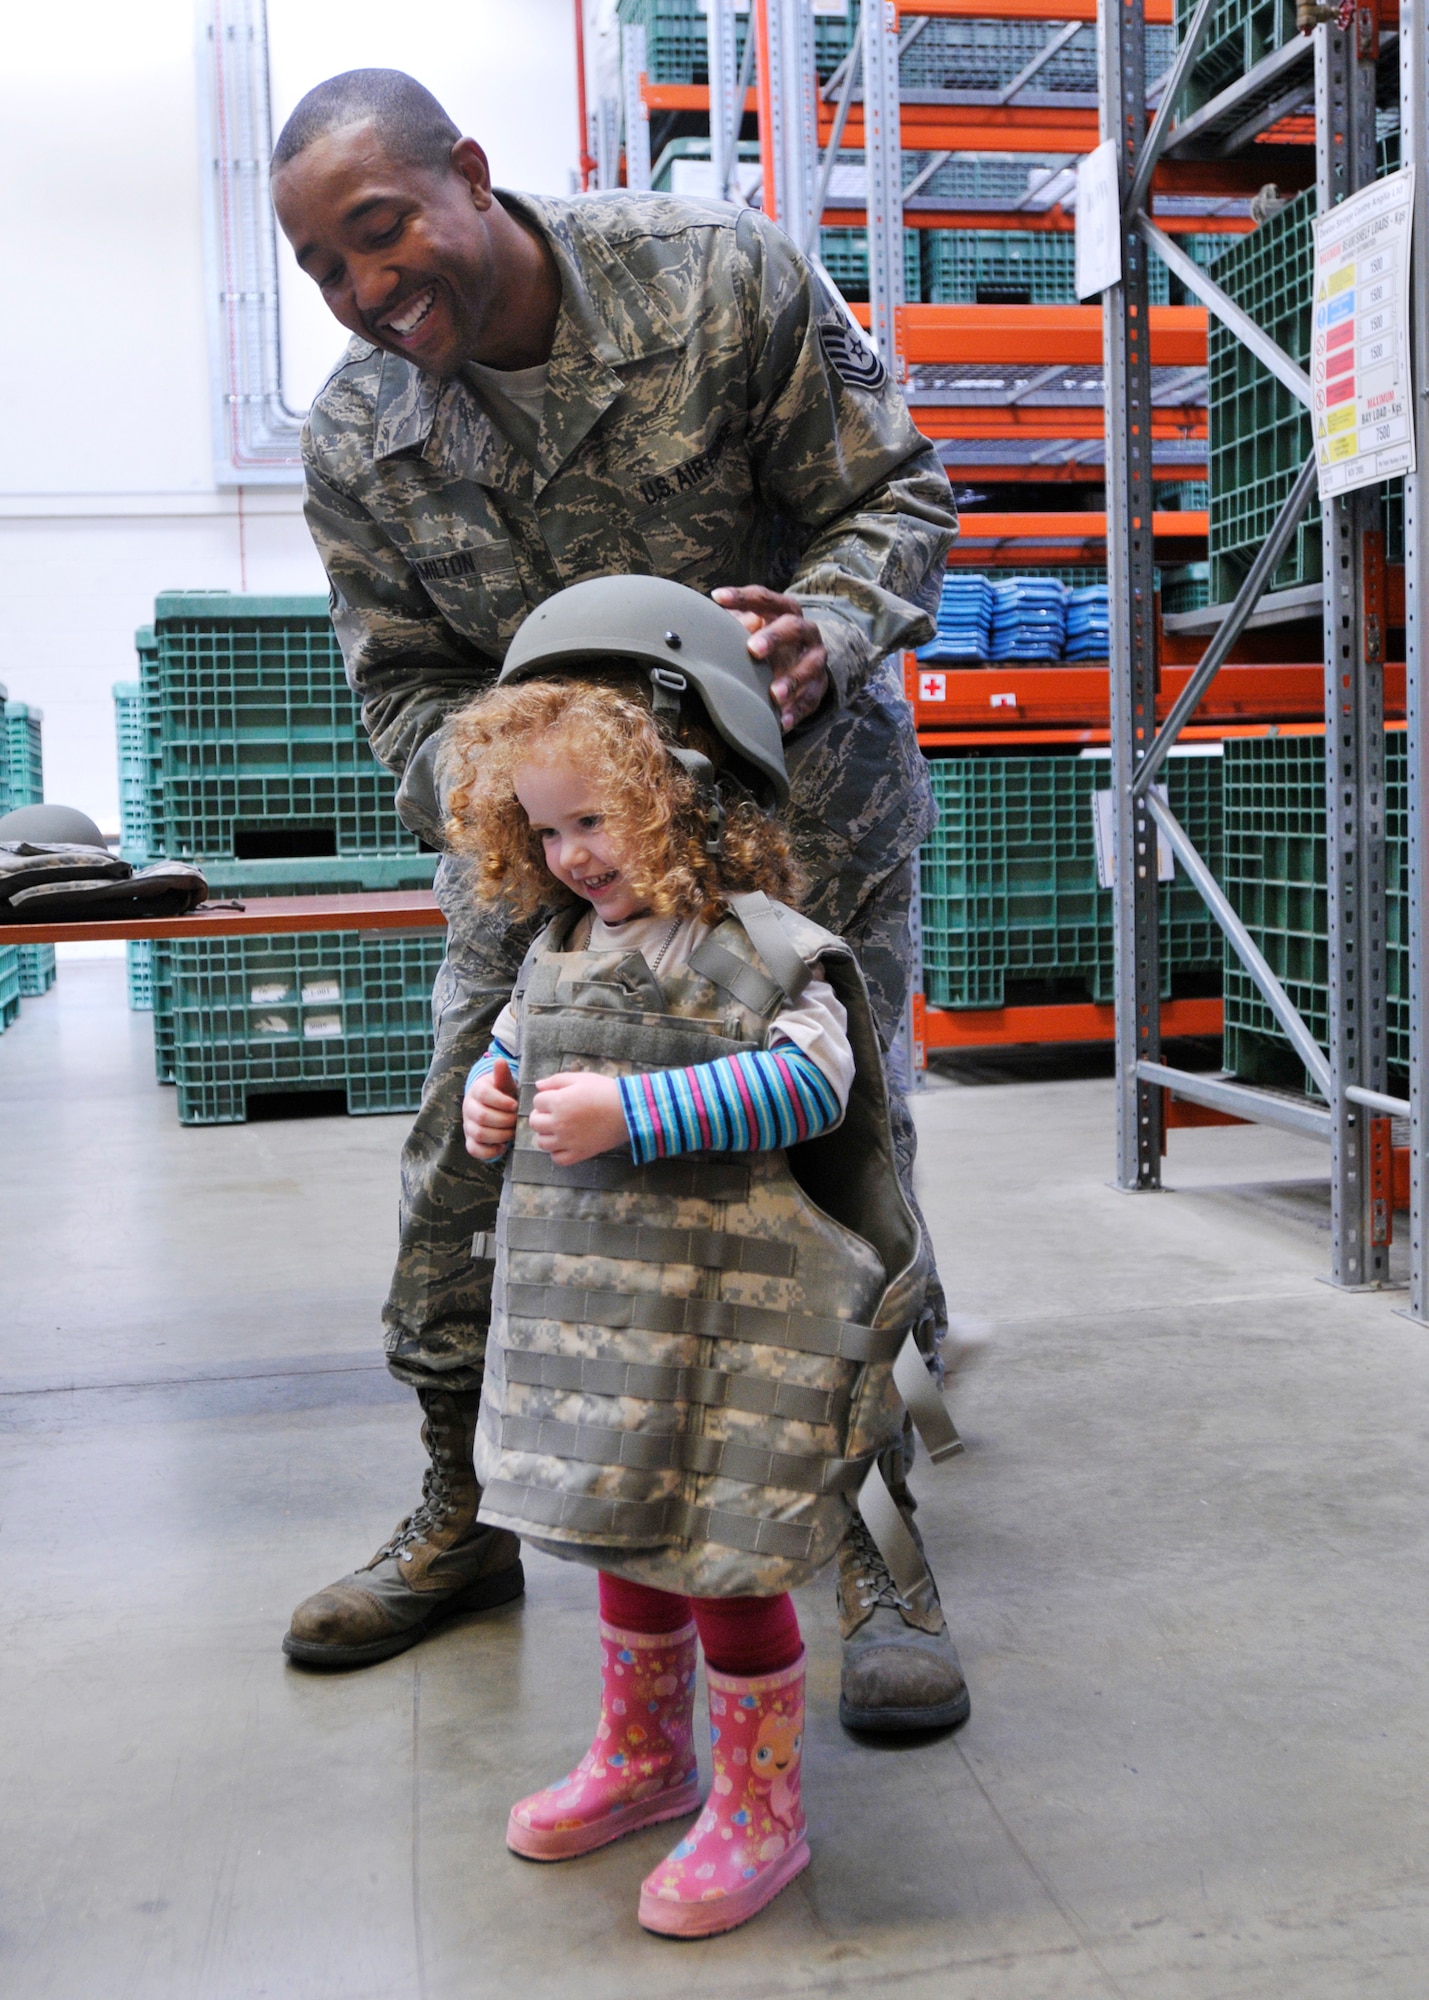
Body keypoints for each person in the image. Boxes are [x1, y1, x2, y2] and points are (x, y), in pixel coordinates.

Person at [269, 67, 967, 1729]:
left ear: (472, 179)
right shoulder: (358, 434)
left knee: (826, 1152)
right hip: (547, 846)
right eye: (324, 273)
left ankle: (868, 1543)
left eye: (380, 235)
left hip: (794, 821)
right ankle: (465, 1509)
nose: (368, 293)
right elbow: (401, 685)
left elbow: (897, 498)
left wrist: (827, 625)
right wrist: (514, 813)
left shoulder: (717, 274)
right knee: (466, 1137)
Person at [445, 579, 953, 1936]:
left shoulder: (760, 953)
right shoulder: (558, 953)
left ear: (684, 788)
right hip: (608, 1337)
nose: (568, 856)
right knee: (620, 1534)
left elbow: (814, 1093)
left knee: (724, 1560)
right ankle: (645, 1758)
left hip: (732, 1329)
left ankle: (760, 1808)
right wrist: (495, 1098)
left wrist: (634, 1115)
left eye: (592, 819)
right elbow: (519, 1053)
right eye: (541, 829)